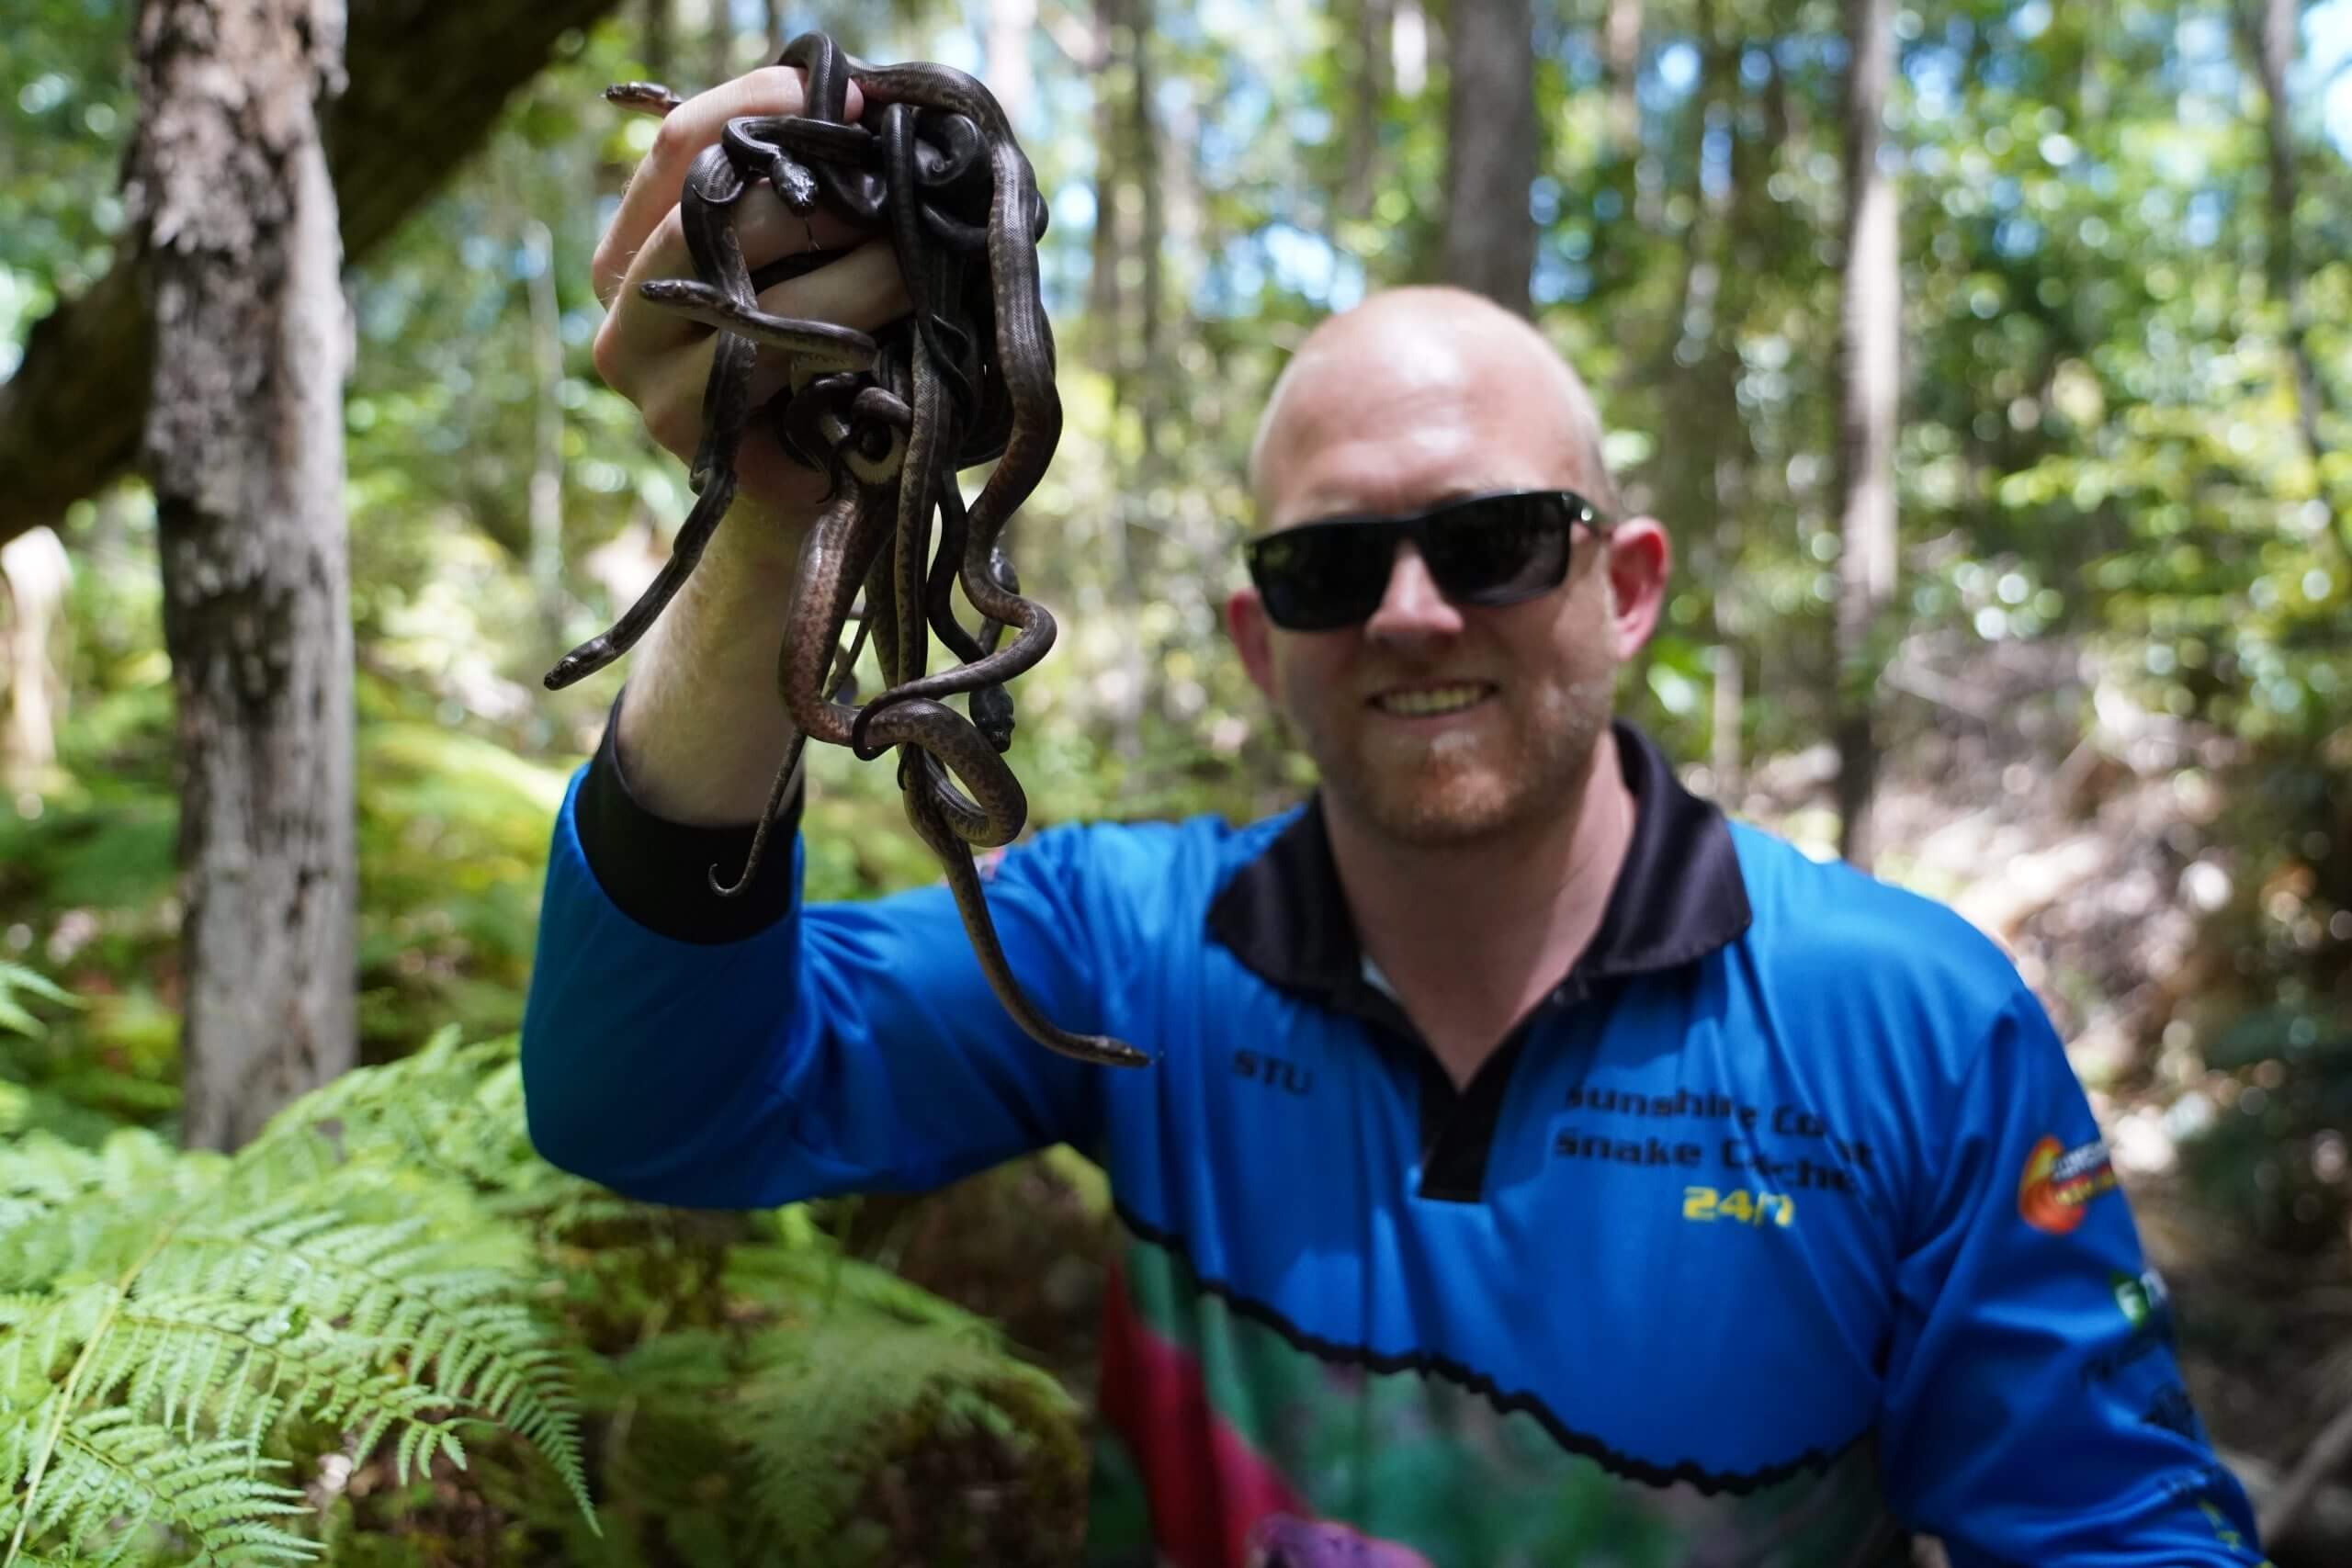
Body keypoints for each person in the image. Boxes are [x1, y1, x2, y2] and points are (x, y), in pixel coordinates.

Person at [520, 62, 2271, 1568]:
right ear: (1257, 638)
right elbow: (654, 1104)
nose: (1418, 612)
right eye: (1333, 564)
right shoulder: (1129, 957)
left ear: (1628, 584)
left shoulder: (1911, 1025)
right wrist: (775, 520)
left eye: (1497, 539)